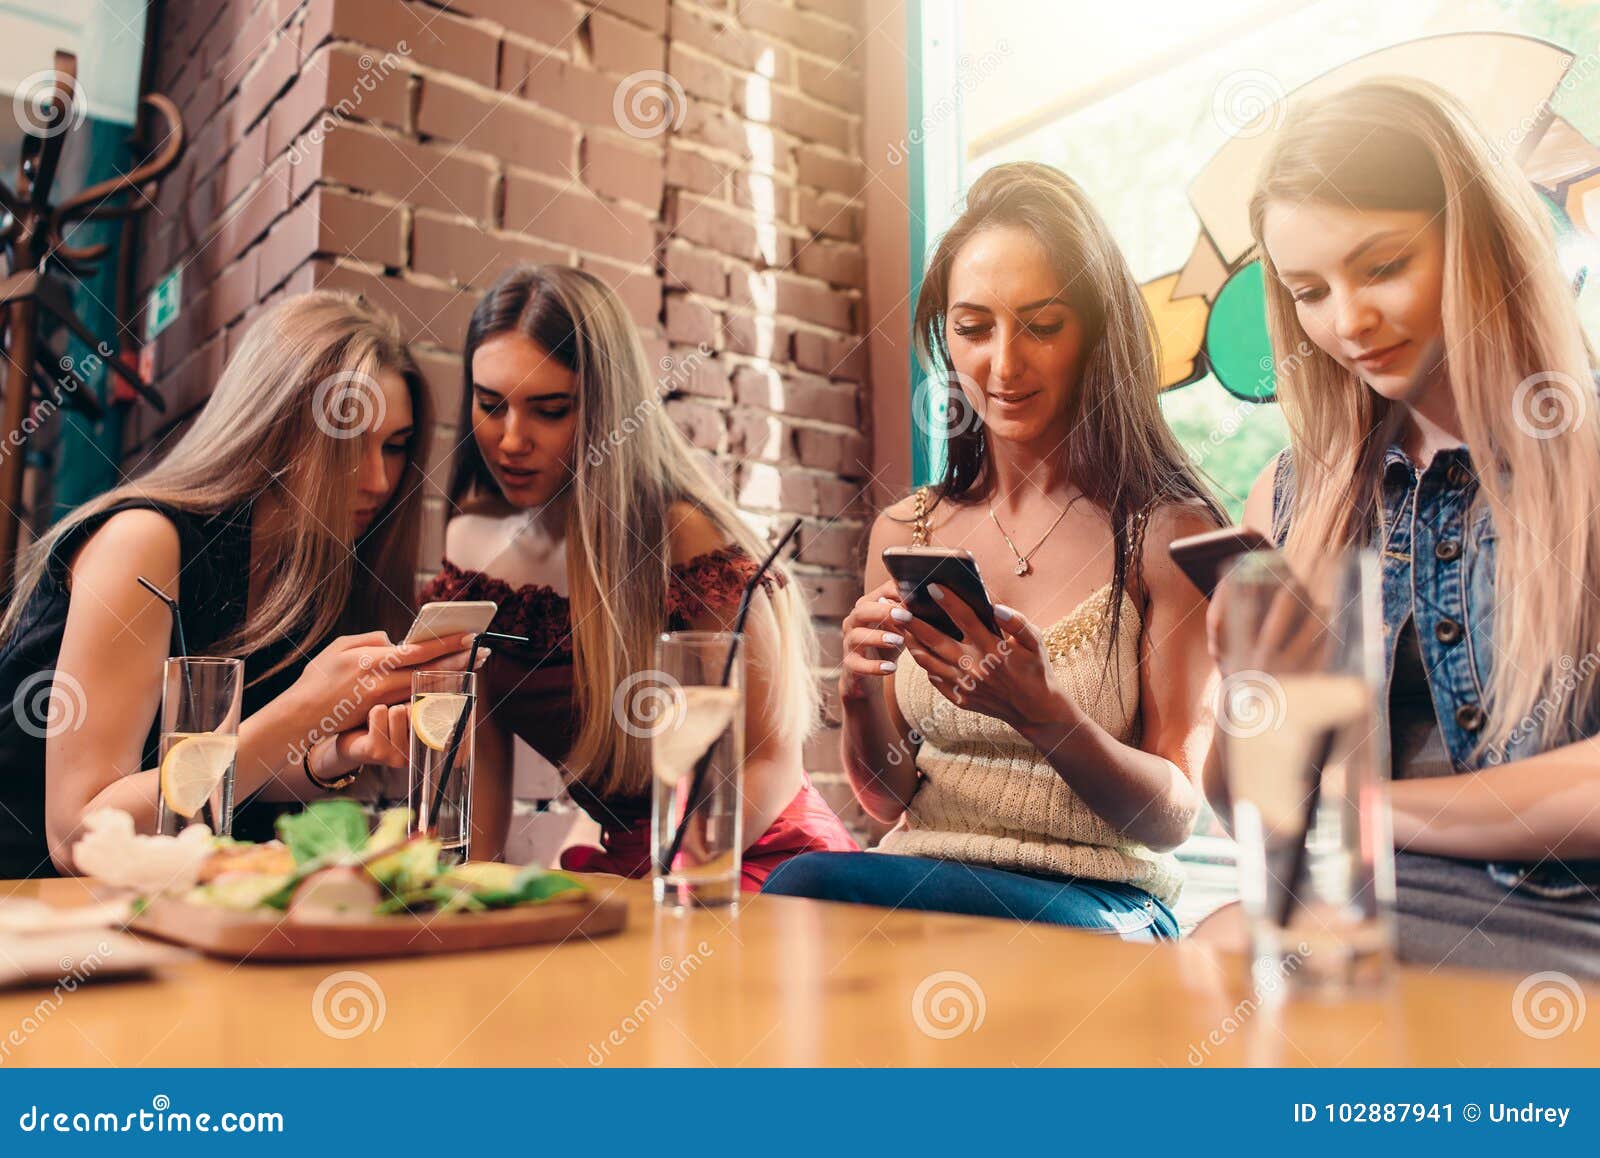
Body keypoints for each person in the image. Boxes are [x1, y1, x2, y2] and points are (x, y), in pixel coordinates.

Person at [761, 162, 1224, 937]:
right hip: (922, 875)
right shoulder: (907, 529)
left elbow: (1173, 814)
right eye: (974, 329)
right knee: (800, 883)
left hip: (1098, 903)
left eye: (1042, 326)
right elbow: (887, 799)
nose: (1003, 365)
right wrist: (856, 691)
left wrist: (1045, 716)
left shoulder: (1168, 531)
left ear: (1096, 332)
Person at [1205, 78, 1600, 974]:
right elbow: (1247, 811)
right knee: (1207, 969)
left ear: (1482, 244)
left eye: (1383, 267)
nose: (1347, 322)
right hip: (1343, 912)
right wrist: (1251, 691)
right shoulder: (1284, 498)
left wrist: (1375, 812)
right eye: (1309, 291)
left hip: (1568, 926)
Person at [0, 291, 476, 879]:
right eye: (348, 441)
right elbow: (80, 834)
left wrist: (334, 755)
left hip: (178, 920)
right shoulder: (143, 542)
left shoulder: (311, 568)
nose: (378, 479)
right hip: (34, 920)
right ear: (272, 428)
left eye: (396, 446)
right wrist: (305, 710)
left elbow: (230, 777)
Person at [420, 264, 855, 884]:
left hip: (754, 853)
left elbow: (768, 761)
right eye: (491, 405)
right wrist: (475, 897)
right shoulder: (468, 542)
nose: (511, 440)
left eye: (548, 410)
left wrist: (663, 883)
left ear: (605, 410)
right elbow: (483, 755)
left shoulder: (686, 534)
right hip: (628, 865)